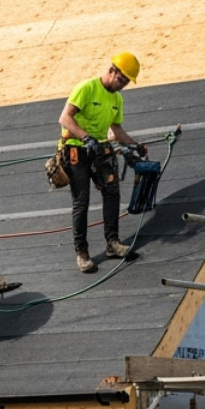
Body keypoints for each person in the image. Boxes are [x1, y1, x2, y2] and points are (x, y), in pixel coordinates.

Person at [58, 52, 145, 274]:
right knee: (82, 201)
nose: (123, 85)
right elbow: (65, 118)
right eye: (122, 79)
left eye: (126, 82)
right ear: (112, 70)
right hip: (76, 149)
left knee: (112, 192)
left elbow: (116, 129)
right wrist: (86, 137)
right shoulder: (87, 88)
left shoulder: (117, 99)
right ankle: (82, 253)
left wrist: (134, 145)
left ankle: (112, 243)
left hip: (100, 149)